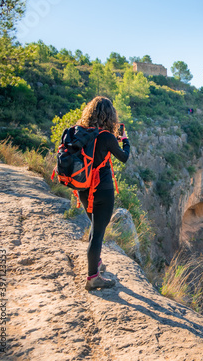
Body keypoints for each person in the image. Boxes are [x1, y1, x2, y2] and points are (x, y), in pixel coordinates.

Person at [76, 96, 131, 291]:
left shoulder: (82, 133)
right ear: (110, 116)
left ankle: (96, 264)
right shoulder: (107, 137)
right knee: (98, 234)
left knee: (95, 228)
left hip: (83, 189)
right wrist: (125, 141)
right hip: (103, 190)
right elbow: (123, 158)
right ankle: (93, 278)